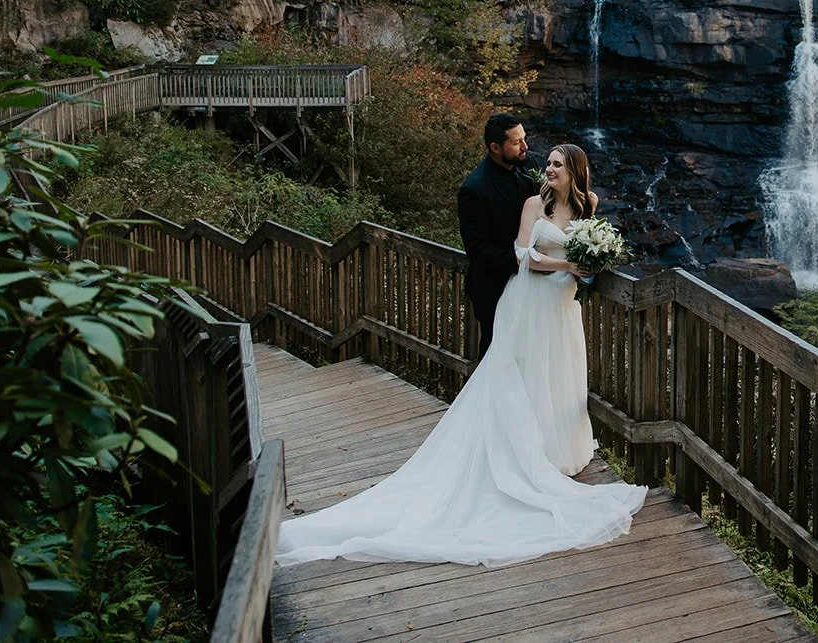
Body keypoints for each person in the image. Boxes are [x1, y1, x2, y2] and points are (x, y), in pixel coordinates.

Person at [275, 141, 646, 566]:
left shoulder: (589, 204)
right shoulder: (533, 205)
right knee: (518, 375)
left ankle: (551, 451)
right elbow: (523, 255)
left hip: (562, 305)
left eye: (557, 165)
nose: (548, 169)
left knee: (556, 370)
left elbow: (588, 252)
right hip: (527, 300)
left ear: (575, 171)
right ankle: (518, 456)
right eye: (547, 163)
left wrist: (593, 261)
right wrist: (567, 267)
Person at [458, 113, 540, 358]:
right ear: (495, 147)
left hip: (533, 287)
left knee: (530, 352)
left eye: (524, 139)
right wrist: (520, 260)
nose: (525, 147)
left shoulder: (530, 164)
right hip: (495, 288)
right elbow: (476, 247)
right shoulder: (474, 189)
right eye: (517, 143)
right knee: (496, 355)